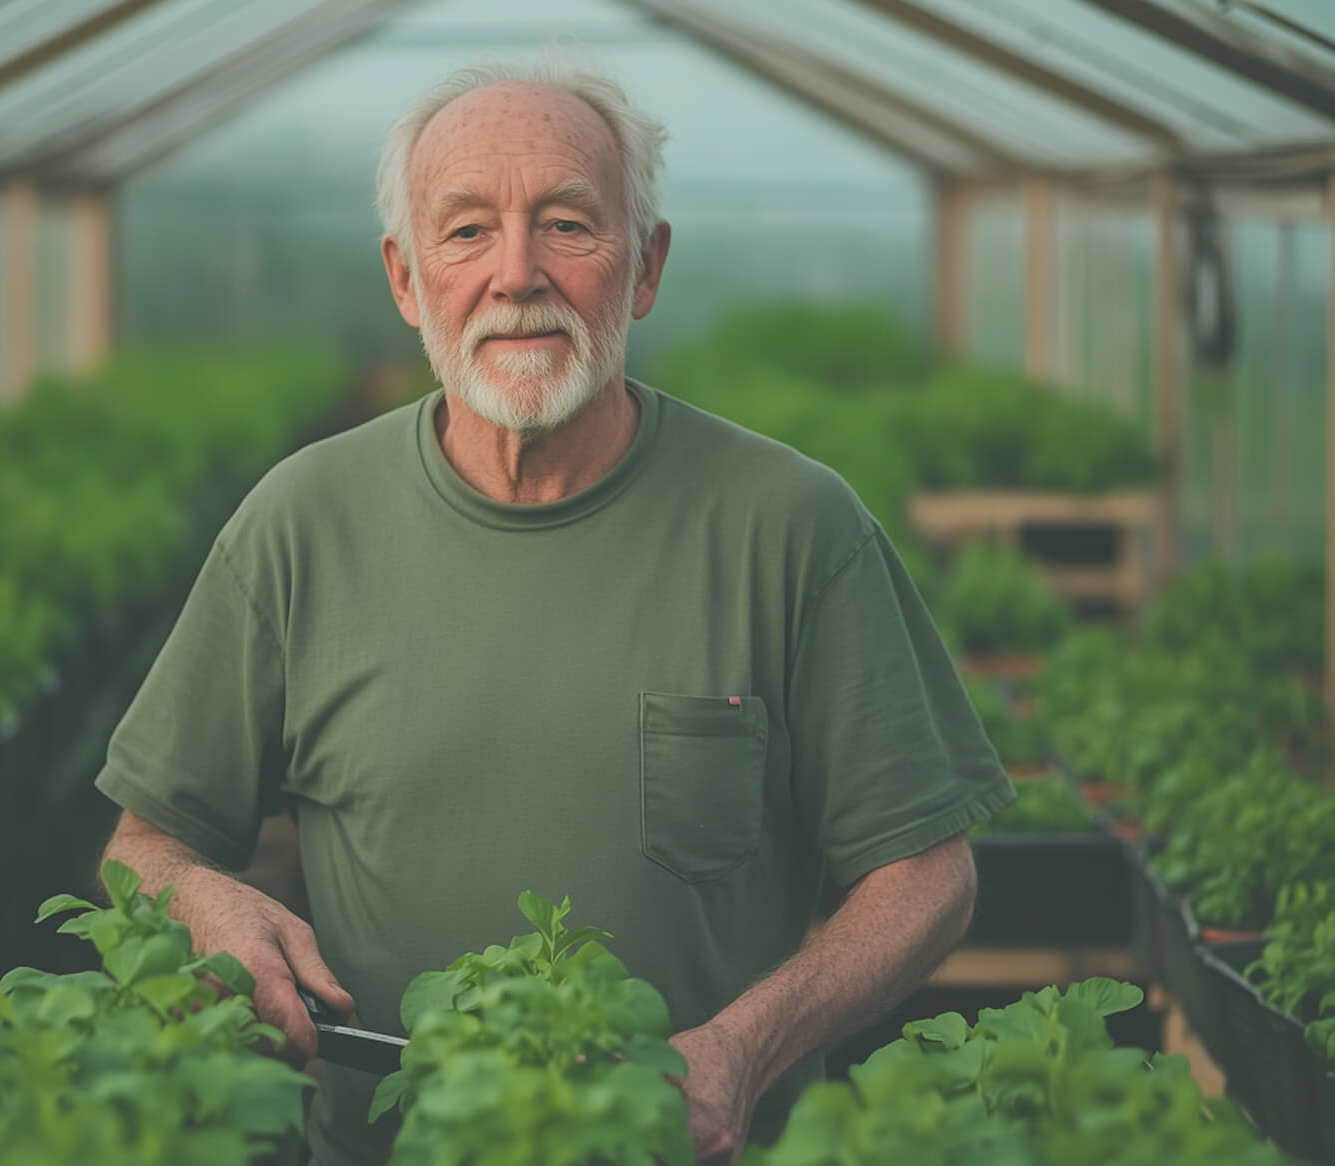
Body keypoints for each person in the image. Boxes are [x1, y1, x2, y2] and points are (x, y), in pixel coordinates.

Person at [95, 59, 1014, 1166]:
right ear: (403, 278)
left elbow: (926, 871)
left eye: (569, 225)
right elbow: (140, 843)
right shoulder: (298, 525)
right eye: (466, 231)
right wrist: (202, 897)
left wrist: (741, 1046)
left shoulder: (793, 527)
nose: (516, 273)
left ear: (645, 266)